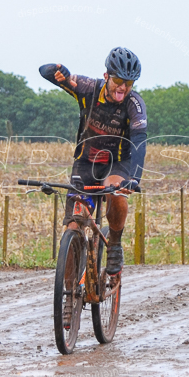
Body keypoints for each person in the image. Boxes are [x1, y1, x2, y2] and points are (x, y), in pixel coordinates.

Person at [39, 47, 147, 274]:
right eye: (118, 80)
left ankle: (114, 244)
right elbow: (45, 72)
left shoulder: (134, 104)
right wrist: (58, 71)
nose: (123, 87)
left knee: (116, 194)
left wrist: (134, 179)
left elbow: (139, 139)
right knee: (73, 224)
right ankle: (69, 297)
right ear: (107, 76)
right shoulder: (88, 88)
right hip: (85, 161)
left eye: (129, 83)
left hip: (117, 163)